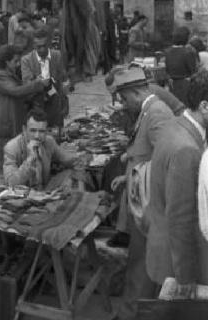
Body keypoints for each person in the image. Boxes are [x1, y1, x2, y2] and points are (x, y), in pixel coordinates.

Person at [105, 66, 175, 320]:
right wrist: (129, 173)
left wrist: (141, 179)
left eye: (124, 99)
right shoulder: (150, 110)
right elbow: (146, 154)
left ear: (134, 93)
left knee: (142, 265)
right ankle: (133, 310)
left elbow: (167, 158)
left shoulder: (156, 113)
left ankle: (132, 314)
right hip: (143, 197)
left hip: (149, 204)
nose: (124, 106)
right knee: (139, 261)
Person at [146, 70, 208, 299]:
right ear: (204, 106)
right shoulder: (186, 150)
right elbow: (181, 218)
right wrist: (185, 276)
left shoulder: (177, 125)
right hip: (176, 263)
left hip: (165, 248)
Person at [0, 45, 48, 185]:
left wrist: (35, 86)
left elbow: (21, 94)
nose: (18, 63)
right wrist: (37, 84)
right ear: (6, 61)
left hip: (11, 120)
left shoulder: (10, 75)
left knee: (9, 158)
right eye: (15, 60)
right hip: (3, 123)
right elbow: (16, 91)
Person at [3, 109, 79, 189]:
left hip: (44, 191)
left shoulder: (49, 141)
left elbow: (65, 158)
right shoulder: (12, 147)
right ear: (24, 129)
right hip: (21, 196)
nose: (37, 136)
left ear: (46, 131)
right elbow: (11, 183)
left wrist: (77, 159)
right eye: (33, 130)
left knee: (72, 175)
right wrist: (30, 159)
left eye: (41, 131)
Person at [21, 27, 69, 127]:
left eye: (44, 46)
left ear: (48, 44)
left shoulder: (57, 56)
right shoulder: (26, 60)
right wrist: (39, 82)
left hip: (55, 104)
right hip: (36, 106)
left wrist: (65, 99)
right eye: (38, 47)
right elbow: (27, 84)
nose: (42, 49)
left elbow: (63, 78)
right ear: (33, 45)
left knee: (57, 135)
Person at [165, 26, 198, 105]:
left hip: (172, 84)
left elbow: (167, 69)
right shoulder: (188, 52)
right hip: (185, 84)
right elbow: (193, 71)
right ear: (186, 38)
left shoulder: (168, 51)